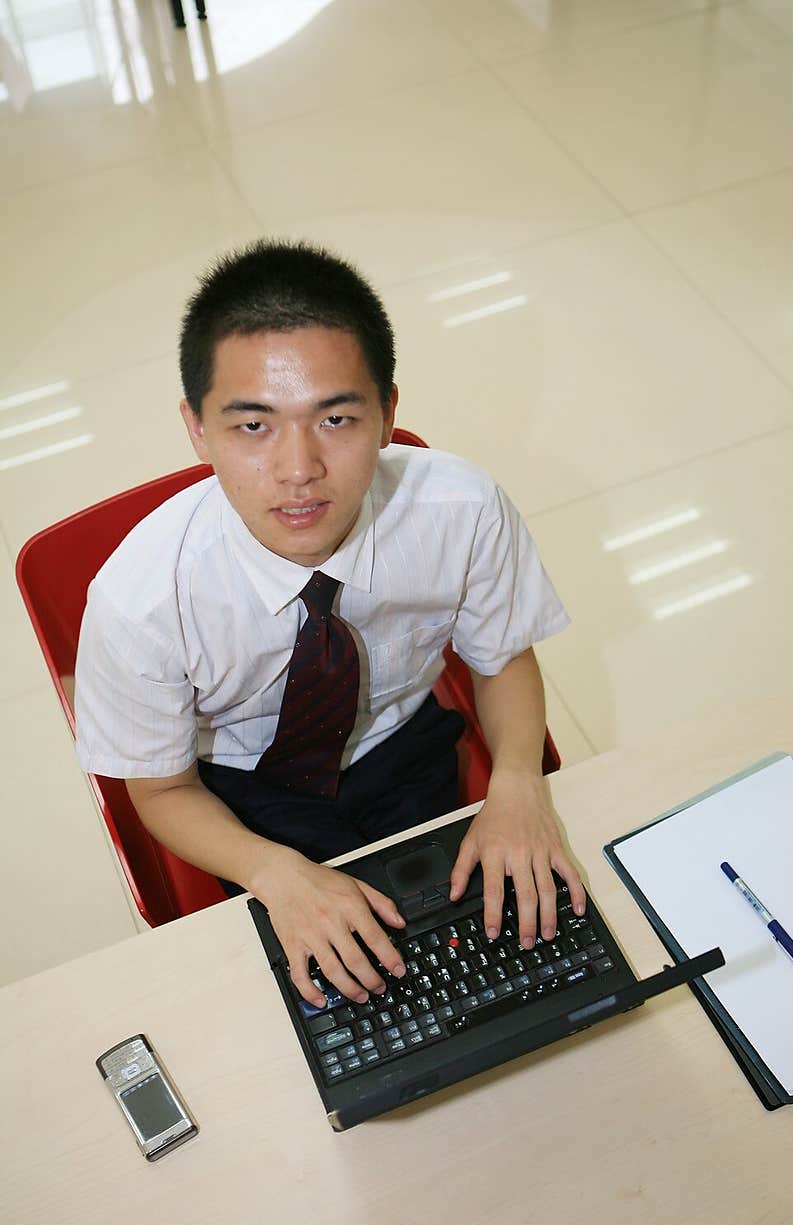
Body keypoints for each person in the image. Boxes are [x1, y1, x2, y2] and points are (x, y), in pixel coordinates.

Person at [75, 239, 585, 1011]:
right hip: (240, 793)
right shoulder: (141, 601)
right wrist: (273, 873)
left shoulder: (462, 508)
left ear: (387, 414)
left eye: (336, 417)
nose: (298, 470)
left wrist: (516, 783)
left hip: (399, 741)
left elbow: (500, 656)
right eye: (253, 427)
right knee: (327, 1007)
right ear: (196, 428)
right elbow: (162, 790)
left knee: (515, 966)